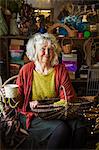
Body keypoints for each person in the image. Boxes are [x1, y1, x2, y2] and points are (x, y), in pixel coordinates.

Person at [16, 32, 87, 149]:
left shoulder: (60, 70)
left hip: (57, 112)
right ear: (35, 51)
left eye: (50, 49)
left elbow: (68, 97)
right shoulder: (26, 70)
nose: (47, 53)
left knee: (80, 127)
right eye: (43, 49)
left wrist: (49, 105)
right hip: (33, 115)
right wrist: (10, 96)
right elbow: (19, 99)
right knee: (61, 129)